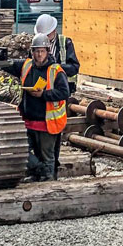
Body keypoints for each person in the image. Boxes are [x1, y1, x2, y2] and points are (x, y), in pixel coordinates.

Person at [4, 40, 70, 181]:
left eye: (42, 51)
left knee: (47, 156)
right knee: (22, 150)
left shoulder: (55, 71)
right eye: (36, 51)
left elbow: (64, 92)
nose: (39, 54)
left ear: (47, 51)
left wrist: (44, 94)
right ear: (32, 52)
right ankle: (39, 172)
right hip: (28, 121)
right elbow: (9, 65)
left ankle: (48, 180)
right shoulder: (27, 65)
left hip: (47, 123)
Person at [32, 13, 80, 177]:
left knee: (55, 131)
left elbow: (74, 67)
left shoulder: (64, 43)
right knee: (41, 134)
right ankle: (44, 167)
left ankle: (52, 167)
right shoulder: (37, 45)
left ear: (53, 31)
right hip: (40, 94)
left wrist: (55, 68)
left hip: (59, 94)